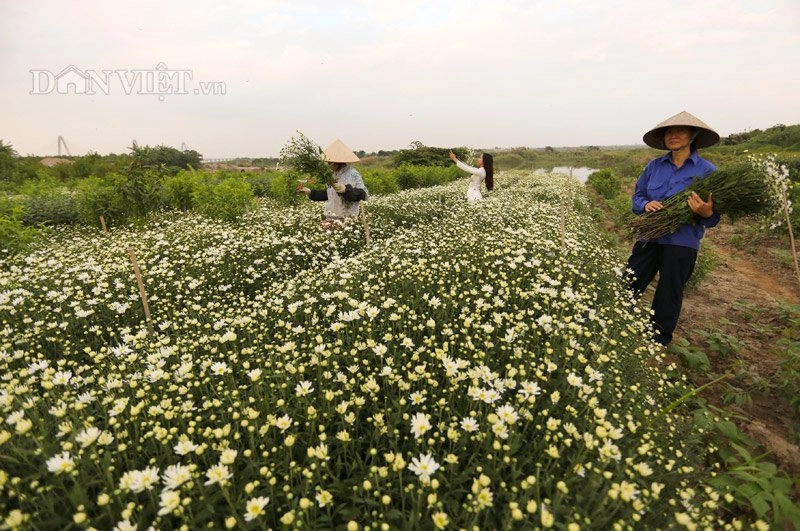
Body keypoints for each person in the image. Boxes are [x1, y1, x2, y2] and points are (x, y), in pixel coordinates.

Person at [626, 111, 721, 346]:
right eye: (669, 132)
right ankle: (613, 323)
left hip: (682, 242)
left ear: (693, 135)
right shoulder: (654, 166)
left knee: (669, 292)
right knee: (629, 281)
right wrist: (645, 204)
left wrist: (706, 213)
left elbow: (714, 216)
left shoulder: (707, 171)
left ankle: (657, 341)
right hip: (649, 236)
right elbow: (637, 197)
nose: (673, 135)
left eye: (680, 131)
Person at [297, 139, 369, 229]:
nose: (328, 164)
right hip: (330, 217)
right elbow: (328, 194)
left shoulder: (353, 174)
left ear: (339, 162)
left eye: (330, 162)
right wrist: (309, 192)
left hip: (347, 220)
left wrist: (346, 190)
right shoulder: (332, 175)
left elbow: (364, 194)